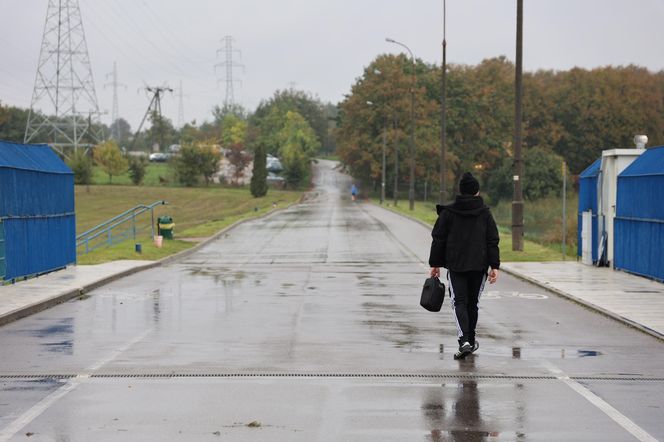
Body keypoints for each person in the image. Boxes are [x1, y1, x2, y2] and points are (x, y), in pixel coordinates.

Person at [429, 172, 500, 360]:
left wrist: (435, 264)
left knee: (458, 302)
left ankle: (464, 341)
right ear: (477, 192)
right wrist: (495, 266)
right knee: (472, 303)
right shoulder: (485, 213)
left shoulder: (448, 212)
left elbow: (438, 239)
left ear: (460, 191)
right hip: (479, 266)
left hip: (456, 265)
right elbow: (492, 239)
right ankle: (471, 339)